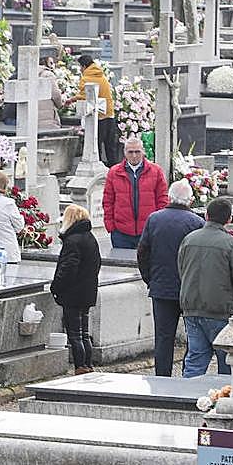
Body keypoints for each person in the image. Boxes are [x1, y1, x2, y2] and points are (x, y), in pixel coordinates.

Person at [136, 179, 203, 376]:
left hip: (161, 287)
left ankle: (162, 377)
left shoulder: (154, 219)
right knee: (193, 337)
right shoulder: (197, 223)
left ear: (169, 197)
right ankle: (188, 376)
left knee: (163, 338)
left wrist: (150, 279)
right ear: (190, 200)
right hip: (189, 290)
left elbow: (143, 253)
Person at [178, 198, 233, 377]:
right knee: (226, 360)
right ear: (229, 219)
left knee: (196, 358)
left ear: (206, 215)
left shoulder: (189, 239)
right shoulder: (231, 243)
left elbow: (181, 270)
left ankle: (187, 392)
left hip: (191, 307)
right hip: (221, 310)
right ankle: (224, 393)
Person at [50, 204, 102, 374]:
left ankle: (80, 366)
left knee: (74, 334)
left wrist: (56, 287)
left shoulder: (72, 240)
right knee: (84, 333)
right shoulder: (90, 237)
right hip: (87, 291)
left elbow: (68, 268)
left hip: (72, 293)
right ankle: (88, 364)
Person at [102, 136, 169, 250]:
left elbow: (162, 199)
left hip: (148, 230)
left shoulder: (156, 171)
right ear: (125, 153)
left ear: (143, 151)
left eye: (137, 152)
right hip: (121, 232)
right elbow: (108, 201)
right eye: (130, 152)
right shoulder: (114, 172)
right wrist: (110, 226)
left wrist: (158, 225)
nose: (134, 155)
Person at [65, 53, 118, 166]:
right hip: (108, 112)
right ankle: (114, 168)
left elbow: (85, 95)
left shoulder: (86, 78)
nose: (80, 69)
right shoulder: (102, 76)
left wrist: (72, 99)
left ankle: (98, 165)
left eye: (80, 67)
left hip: (97, 116)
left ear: (84, 66)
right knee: (110, 145)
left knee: (96, 144)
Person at [38, 56, 66, 130]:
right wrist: (60, 105)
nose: (53, 65)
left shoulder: (30, 73)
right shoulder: (48, 74)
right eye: (51, 63)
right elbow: (56, 94)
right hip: (46, 114)